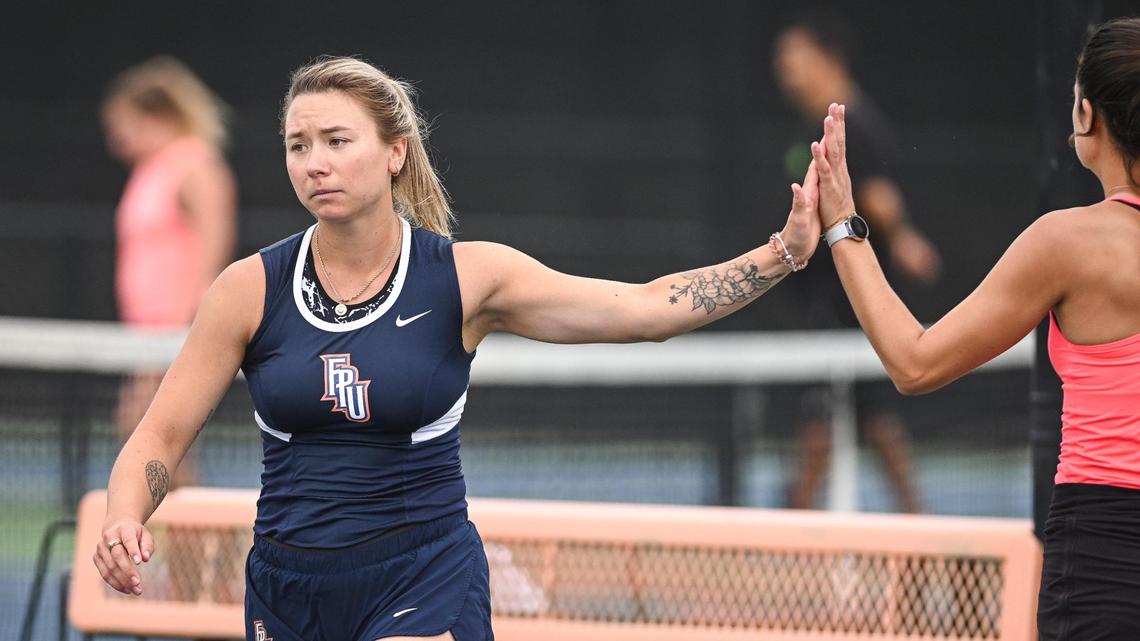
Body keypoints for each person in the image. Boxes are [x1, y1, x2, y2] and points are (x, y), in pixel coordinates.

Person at [92, 56, 823, 641]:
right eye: (297, 144)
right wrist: (126, 514)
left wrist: (783, 253)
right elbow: (158, 433)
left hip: (421, 575)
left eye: (338, 141)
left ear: (394, 154)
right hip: (287, 589)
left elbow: (643, 308)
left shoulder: (465, 277)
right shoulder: (248, 289)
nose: (315, 162)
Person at [808, 18, 1140, 639]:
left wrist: (842, 224)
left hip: (1105, 547)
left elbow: (916, 362)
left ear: (1088, 115)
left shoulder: (1067, 242)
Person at [772, 15, 940, 512]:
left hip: (846, 309)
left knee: (830, 422)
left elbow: (879, 197)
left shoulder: (851, 125)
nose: (785, 71)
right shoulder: (814, 123)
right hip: (825, 305)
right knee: (867, 418)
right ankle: (916, 519)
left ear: (829, 57)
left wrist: (905, 237)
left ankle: (789, 540)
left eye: (794, 58)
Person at [101, 56, 237, 487]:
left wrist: (194, 320)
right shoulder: (150, 172)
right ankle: (188, 551)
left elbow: (216, 242)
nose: (116, 138)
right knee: (153, 442)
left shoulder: (195, 165)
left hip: (176, 332)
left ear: (156, 115)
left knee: (147, 434)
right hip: (146, 335)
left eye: (124, 123)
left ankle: (197, 551)